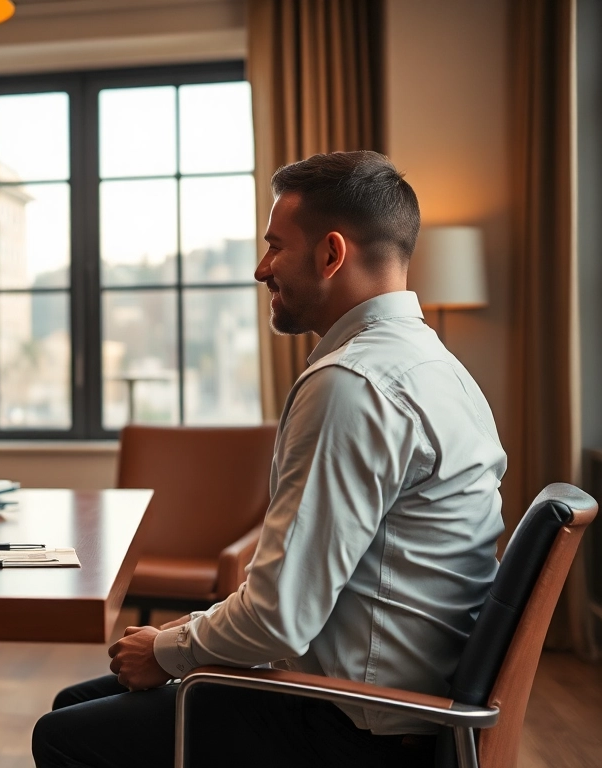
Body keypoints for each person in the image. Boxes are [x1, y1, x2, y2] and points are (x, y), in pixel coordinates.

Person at [32, 151, 507, 768]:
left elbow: (279, 620)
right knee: (80, 702)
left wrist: (166, 648)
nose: (261, 270)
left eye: (275, 247)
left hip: (353, 728)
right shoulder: (439, 369)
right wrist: (177, 645)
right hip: (404, 704)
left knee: (66, 735)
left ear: (331, 254)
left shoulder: (351, 385)